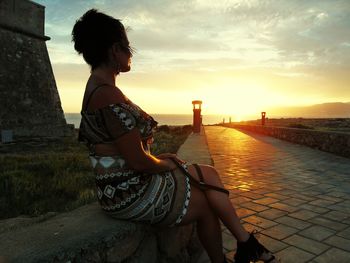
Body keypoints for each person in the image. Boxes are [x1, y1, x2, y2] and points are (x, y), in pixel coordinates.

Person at [72, 9, 279, 263]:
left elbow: (122, 151)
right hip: (126, 192)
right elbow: (138, 161)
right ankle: (239, 250)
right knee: (205, 205)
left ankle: (246, 244)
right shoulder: (106, 94)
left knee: (209, 174)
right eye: (128, 46)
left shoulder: (100, 87)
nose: (131, 52)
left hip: (123, 183)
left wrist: (162, 158)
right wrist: (165, 163)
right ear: (115, 50)